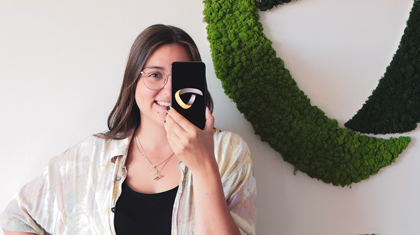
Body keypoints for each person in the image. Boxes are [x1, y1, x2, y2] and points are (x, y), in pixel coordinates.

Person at [0, 25, 257, 235]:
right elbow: (17, 218)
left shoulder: (227, 152)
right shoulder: (92, 158)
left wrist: (204, 166)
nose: (168, 91)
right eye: (155, 75)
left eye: (180, 77)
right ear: (134, 81)